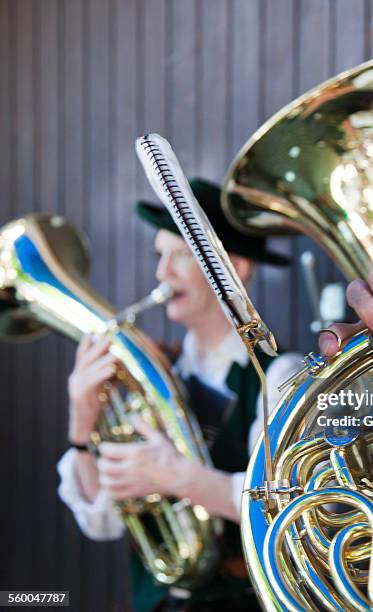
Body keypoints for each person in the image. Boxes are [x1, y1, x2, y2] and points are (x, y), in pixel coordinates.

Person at [57, 178, 301, 611]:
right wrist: (81, 424)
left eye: (179, 254)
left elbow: (286, 505)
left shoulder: (278, 376)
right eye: (159, 255)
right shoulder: (153, 376)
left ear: (236, 268)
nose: (160, 272)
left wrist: (178, 478)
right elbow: (105, 522)